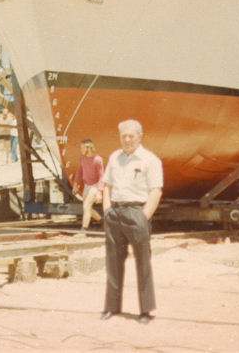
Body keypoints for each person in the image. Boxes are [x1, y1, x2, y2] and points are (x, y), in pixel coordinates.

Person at [100, 119, 163, 325]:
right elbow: (107, 185)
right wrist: (107, 209)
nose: (127, 140)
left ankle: (146, 310)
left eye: (131, 136)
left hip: (137, 211)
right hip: (115, 212)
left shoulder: (149, 160)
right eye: (123, 136)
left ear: (139, 136)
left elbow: (155, 190)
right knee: (113, 262)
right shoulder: (114, 158)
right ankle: (111, 307)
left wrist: (144, 216)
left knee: (142, 262)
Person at [73, 139, 104, 231]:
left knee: (86, 206)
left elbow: (102, 176)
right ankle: (102, 220)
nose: (80, 150)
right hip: (87, 185)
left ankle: (83, 230)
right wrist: (75, 185)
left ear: (88, 148)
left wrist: (99, 192)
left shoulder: (98, 159)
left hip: (95, 185)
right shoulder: (82, 157)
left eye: (82, 148)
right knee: (87, 208)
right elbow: (79, 171)